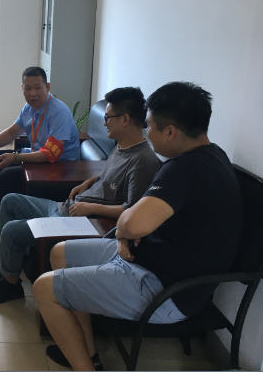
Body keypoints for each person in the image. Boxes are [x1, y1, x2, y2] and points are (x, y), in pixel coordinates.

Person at [33, 82, 243, 371]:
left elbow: (132, 221)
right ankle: (89, 355)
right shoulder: (213, 156)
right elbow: (137, 220)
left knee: (43, 289)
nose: (146, 132)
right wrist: (125, 234)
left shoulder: (183, 170)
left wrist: (126, 231)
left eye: (150, 126)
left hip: (163, 289)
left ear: (170, 132)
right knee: (59, 253)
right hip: (146, 260)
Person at [0, 87, 160, 306]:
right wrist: (88, 182)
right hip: (69, 207)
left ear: (125, 119)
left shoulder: (142, 162)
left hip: (82, 221)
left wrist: (91, 208)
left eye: (108, 118)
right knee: (9, 201)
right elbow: (109, 175)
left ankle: (10, 286)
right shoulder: (122, 146)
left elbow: (133, 211)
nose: (104, 123)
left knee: (12, 231)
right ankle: (7, 268)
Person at [0, 66, 79, 221]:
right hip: (38, 157)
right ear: (22, 89)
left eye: (38, 87)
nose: (33, 93)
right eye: (28, 88)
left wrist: (16, 158)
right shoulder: (29, 108)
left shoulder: (59, 112)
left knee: (7, 174)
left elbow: (50, 154)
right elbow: (12, 132)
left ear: (47, 87)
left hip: (58, 167)